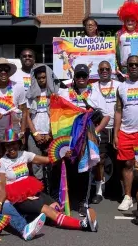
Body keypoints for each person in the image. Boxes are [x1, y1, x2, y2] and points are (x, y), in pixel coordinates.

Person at [0, 129, 98, 232]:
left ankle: (30, 216)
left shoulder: (24, 154)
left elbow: (46, 160)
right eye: (7, 145)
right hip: (17, 197)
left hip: (30, 189)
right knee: (48, 210)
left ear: (18, 144)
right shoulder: (1, 162)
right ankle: (82, 224)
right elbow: (2, 188)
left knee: (56, 207)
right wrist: (1, 204)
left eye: (13, 144)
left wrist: (62, 154)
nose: (11, 148)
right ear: (4, 147)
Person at [58, 63, 109, 215]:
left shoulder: (95, 93)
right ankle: (68, 199)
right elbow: (59, 113)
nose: (81, 78)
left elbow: (106, 115)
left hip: (87, 138)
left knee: (87, 168)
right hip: (71, 136)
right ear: (74, 77)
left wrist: (94, 132)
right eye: (78, 76)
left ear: (88, 78)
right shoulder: (65, 93)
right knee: (71, 167)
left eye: (84, 76)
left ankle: (83, 201)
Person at [114, 55, 138, 211]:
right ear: (127, 67)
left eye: (137, 64)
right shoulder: (121, 87)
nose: (134, 67)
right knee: (128, 163)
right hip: (126, 131)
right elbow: (118, 111)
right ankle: (128, 196)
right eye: (131, 65)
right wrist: (116, 134)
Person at [90, 61, 122, 203]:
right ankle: (99, 191)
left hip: (117, 127)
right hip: (101, 127)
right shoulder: (93, 87)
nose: (104, 71)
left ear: (111, 70)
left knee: (120, 159)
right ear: (98, 70)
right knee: (100, 160)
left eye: (107, 69)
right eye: (102, 69)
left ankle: (119, 190)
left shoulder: (119, 85)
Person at [26, 64, 60, 189]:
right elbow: (27, 116)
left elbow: (57, 115)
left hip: (51, 134)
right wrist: (35, 134)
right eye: (39, 78)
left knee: (53, 161)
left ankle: (53, 189)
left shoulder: (54, 93)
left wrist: (50, 133)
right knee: (36, 163)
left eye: (44, 77)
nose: (41, 80)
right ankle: (39, 188)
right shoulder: (31, 93)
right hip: (35, 134)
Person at [115, 0, 138, 78]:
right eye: (128, 20)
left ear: (136, 21)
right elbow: (114, 52)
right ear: (124, 21)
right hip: (124, 68)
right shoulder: (118, 34)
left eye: (132, 20)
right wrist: (116, 67)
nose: (130, 22)